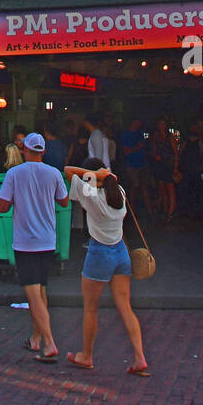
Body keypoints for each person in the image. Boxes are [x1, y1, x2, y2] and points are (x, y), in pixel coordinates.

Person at [63, 157, 149, 376]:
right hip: (121, 252)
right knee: (126, 307)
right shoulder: (119, 191)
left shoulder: (91, 194)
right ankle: (140, 357)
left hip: (99, 253)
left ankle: (86, 355)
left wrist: (97, 175)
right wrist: (105, 174)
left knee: (91, 309)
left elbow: (68, 170)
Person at [0, 132, 69, 363]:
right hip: (47, 240)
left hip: (25, 241)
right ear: (43, 151)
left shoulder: (14, 174)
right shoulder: (53, 173)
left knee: (32, 293)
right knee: (41, 289)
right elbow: (64, 201)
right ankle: (36, 338)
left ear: (24, 150)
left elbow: (2, 206)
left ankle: (49, 342)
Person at [149, 118, 179, 221]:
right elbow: (153, 151)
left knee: (170, 189)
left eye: (163, 124)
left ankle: (171, 212)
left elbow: (175, 153)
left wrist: (175, 167)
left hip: (169, 166)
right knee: (162, 189)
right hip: (160, 166)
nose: (162, 126)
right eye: (160, 124)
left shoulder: (170, 137)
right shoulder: (156, 138)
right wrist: (156, 156)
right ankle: (165, 210)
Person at [119, 118, 150, 213]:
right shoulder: (126, 135)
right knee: (133, 187)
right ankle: (133, 210)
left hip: (143, 164)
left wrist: (132, 149)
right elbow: (125, 150)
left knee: (145, 186)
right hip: (132, 165)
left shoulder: (140, 134)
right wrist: (135, 148)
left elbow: (142, 145)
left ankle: (149, 210)